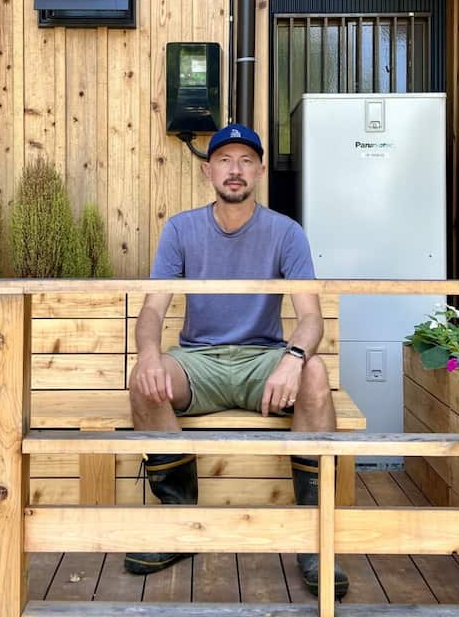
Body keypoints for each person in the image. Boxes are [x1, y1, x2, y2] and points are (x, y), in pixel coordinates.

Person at [124, 123, 349, 599]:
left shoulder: (286, 232)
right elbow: (151, 309)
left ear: (261, 172)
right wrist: (148, 354)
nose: (235, 170)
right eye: (225, 160)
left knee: (315, 371)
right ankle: (179, 523)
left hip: (260, 363)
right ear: (208, 171)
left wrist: (291, 358)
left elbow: (312, 318)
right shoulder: (182, 229)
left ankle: (314, 536)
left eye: (246, 161)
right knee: (145, 377)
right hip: (199, 362)